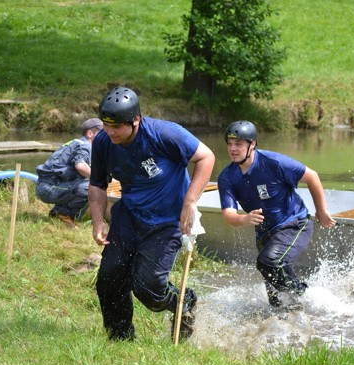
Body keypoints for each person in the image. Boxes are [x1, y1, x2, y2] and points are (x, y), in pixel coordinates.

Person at [88, 86, 215, 342]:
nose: (110, 131)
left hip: (168, 221)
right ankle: (120, 339)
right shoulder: (104, 142)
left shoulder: (165, 134)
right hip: (129, 216)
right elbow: (97, 184)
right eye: (106, 124)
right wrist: (98, 221)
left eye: (117, 126)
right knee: (109, 277)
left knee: (148, 288)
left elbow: (206, 157)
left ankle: (185, 303)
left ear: (135, 121)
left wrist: (190, 201)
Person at [217, 120, 336, 308]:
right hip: (265, 233)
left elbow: (312, 176)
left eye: (238, 144)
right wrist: (245, 219)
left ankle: (307, 295)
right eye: (230, 144)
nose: (233, 149)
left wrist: (321, 210)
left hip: (294, 223)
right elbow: (229, 215)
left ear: (252, 144)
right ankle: (298, 311)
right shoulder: (227, 177)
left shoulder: (274, 163)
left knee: (268, 262)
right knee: (274, 298)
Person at [36, 118, 102, 228]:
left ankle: (57, 213)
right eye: (102, 134)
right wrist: (101, 179)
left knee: (86, 182)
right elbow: (81, 166)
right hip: (50, 187)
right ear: (90, 133)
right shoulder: (85, 145)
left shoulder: (77, 143)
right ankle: (65, 215)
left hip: (47, 185)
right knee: (93, 187)